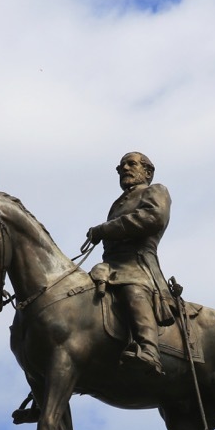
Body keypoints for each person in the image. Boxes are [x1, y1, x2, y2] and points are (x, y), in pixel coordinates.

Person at [86, 152, 177, 374]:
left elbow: (153, 218)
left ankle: (149, 350)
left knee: (133, 291)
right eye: (121, 166)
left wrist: (104, 229)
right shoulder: (118, 204)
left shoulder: (156, 191)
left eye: (131, 164)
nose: (124, 168)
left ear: (147, 172)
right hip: (110, 265)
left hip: (137, 264)